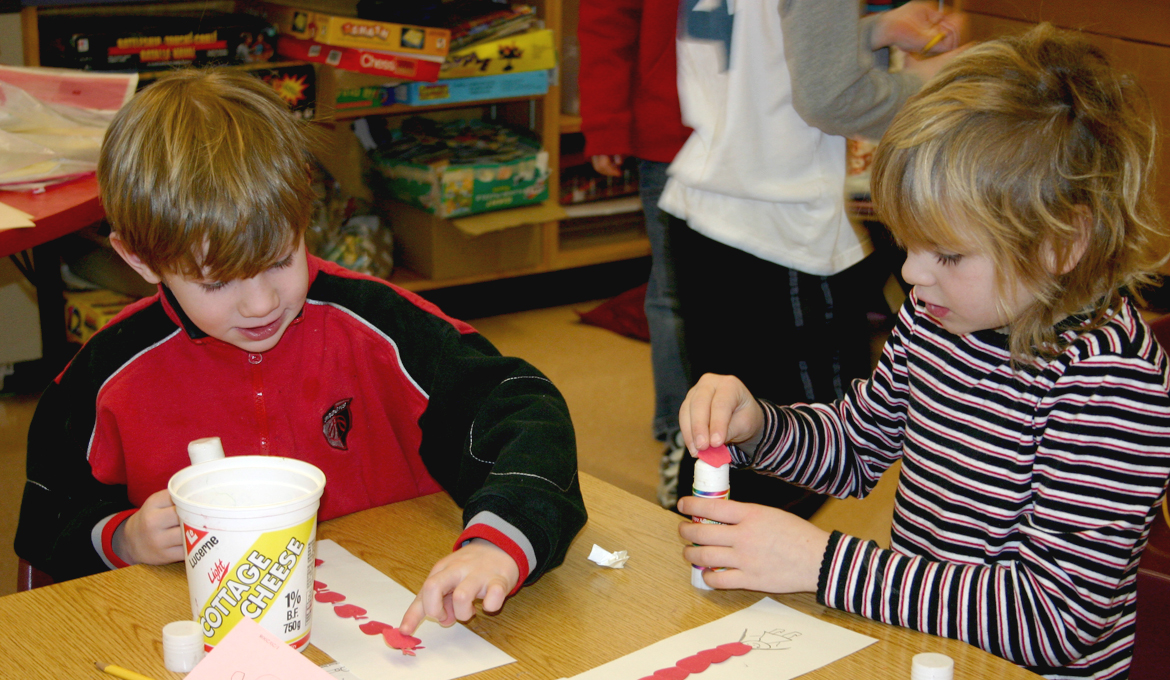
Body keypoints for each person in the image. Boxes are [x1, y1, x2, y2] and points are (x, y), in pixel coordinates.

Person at [676, 24, 1170, 680]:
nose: (911, 274)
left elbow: (1053, 617)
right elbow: (855, 448)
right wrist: (759, 425)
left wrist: (824, 564)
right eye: (907, 244)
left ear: (1063, 243)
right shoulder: (940, 318)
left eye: (948, 255)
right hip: (927, 666)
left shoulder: (1111, 383)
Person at [14, 69, 586, 636]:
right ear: (139, 259)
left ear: (304, 210)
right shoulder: (104, 378)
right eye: (217, 282)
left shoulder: (383, 328)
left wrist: (497, 543)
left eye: (280, 259)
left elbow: (523, 410)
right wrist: (122, 537)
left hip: (397, 625)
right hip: (205, 643)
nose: (261, 303)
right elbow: (48, 525)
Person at [663, 0, 966, 518]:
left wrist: (872, 30)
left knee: (725, 437)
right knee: (810, 450)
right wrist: (938, 83)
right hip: (780, 223)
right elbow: (831, 97)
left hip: (709, 202)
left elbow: (772, 49)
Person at [578, 0, 692, 509]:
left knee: (753, 286)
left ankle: (754, 425)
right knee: (673, 289)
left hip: (764, 134)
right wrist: (606, 122)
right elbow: (608, 21)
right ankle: (679, 428)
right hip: (671, 131)